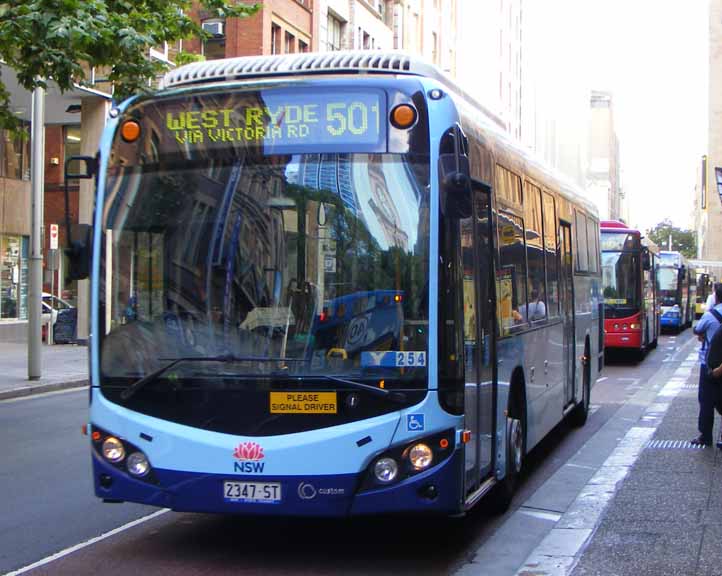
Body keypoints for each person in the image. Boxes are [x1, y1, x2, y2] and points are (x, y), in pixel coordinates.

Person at [691, 283, 722, 446]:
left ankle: (705, 436)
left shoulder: (710, 315)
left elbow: (697, 329)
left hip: (709, 364)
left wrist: (702, 333)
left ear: (716, 297)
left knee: (706, 401)